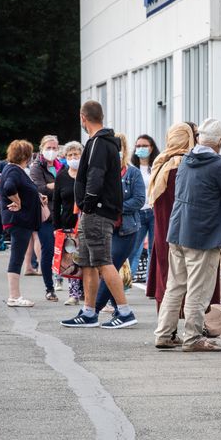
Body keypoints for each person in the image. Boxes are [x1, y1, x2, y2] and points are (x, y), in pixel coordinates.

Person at [153, 118, 221, 351]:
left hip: (178, 230)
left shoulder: (184, 161)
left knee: (176, 285)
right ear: (220, 142)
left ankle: (164, 333)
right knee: (198, 288)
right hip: (202, 234)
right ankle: (192, 337)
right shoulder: (219, 166)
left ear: (199, 138)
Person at [62, 100, 136, 328]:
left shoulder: (98, 143)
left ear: (82, 118)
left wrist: (87, 204)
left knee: (103, 261)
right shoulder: (103, 143)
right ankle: (89, 311)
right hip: (94, 211)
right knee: (87, 262)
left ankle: (124, 312)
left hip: (96, 211)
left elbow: (95, 176)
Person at [91, 133, 145, 317]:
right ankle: (119, 309)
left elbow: (139, 200)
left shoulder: (133, 173)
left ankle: (93, 310)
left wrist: (114, 207)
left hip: (126, 229)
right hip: (105, 228)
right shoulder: (103, 173)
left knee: (110, 267)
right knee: (109, 268)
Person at [146, 123, 196, 315]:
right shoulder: (186, 165)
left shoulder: (160, 163)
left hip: (161, 228)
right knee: (183, 274)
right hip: (181, 230)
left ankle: (165, 322)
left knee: (164, 272)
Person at [0, 140, 42, 307]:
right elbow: (9, 188)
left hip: (20, 221)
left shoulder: (14, 170)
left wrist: (37, 197)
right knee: (17, 256)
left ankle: (15, 295)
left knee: (17, 255)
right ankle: (14, 296)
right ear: (25, 155)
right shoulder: (14, 171)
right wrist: (17, 202)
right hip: (19, 220)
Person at [53, 141, 85, 306]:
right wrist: (56, 227)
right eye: (70, 155)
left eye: (76, 154)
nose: (73, 158)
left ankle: (86, 292)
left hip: (85, 223)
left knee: (85, 259)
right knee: (71, 260)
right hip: (67, 223)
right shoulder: (62, 176)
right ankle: (74, 294)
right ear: (66, 157)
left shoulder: (86, 174)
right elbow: (56, 202)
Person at [29, 135, 60, 302]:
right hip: (46, 215)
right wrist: (58, 186)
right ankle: (50, 288)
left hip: (63, 214)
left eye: (55, 148)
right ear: (41, 149)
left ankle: (77, 288)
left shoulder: (61, 165)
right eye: (49, 148)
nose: (52, 151)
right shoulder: (36, 167)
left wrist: (51, 186)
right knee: (48, 250)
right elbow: (38, 188)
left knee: (69, 251)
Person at [128, 134, 159, 282]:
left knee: (155, 249)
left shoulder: (157, 166)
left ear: (151, 147)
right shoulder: (132, 167)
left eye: (144, 146)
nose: (141, 149)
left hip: (154, 212)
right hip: (137, 212)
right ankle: (125, 281)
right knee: (133, 248)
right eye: (138, 146)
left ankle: (151, 284)